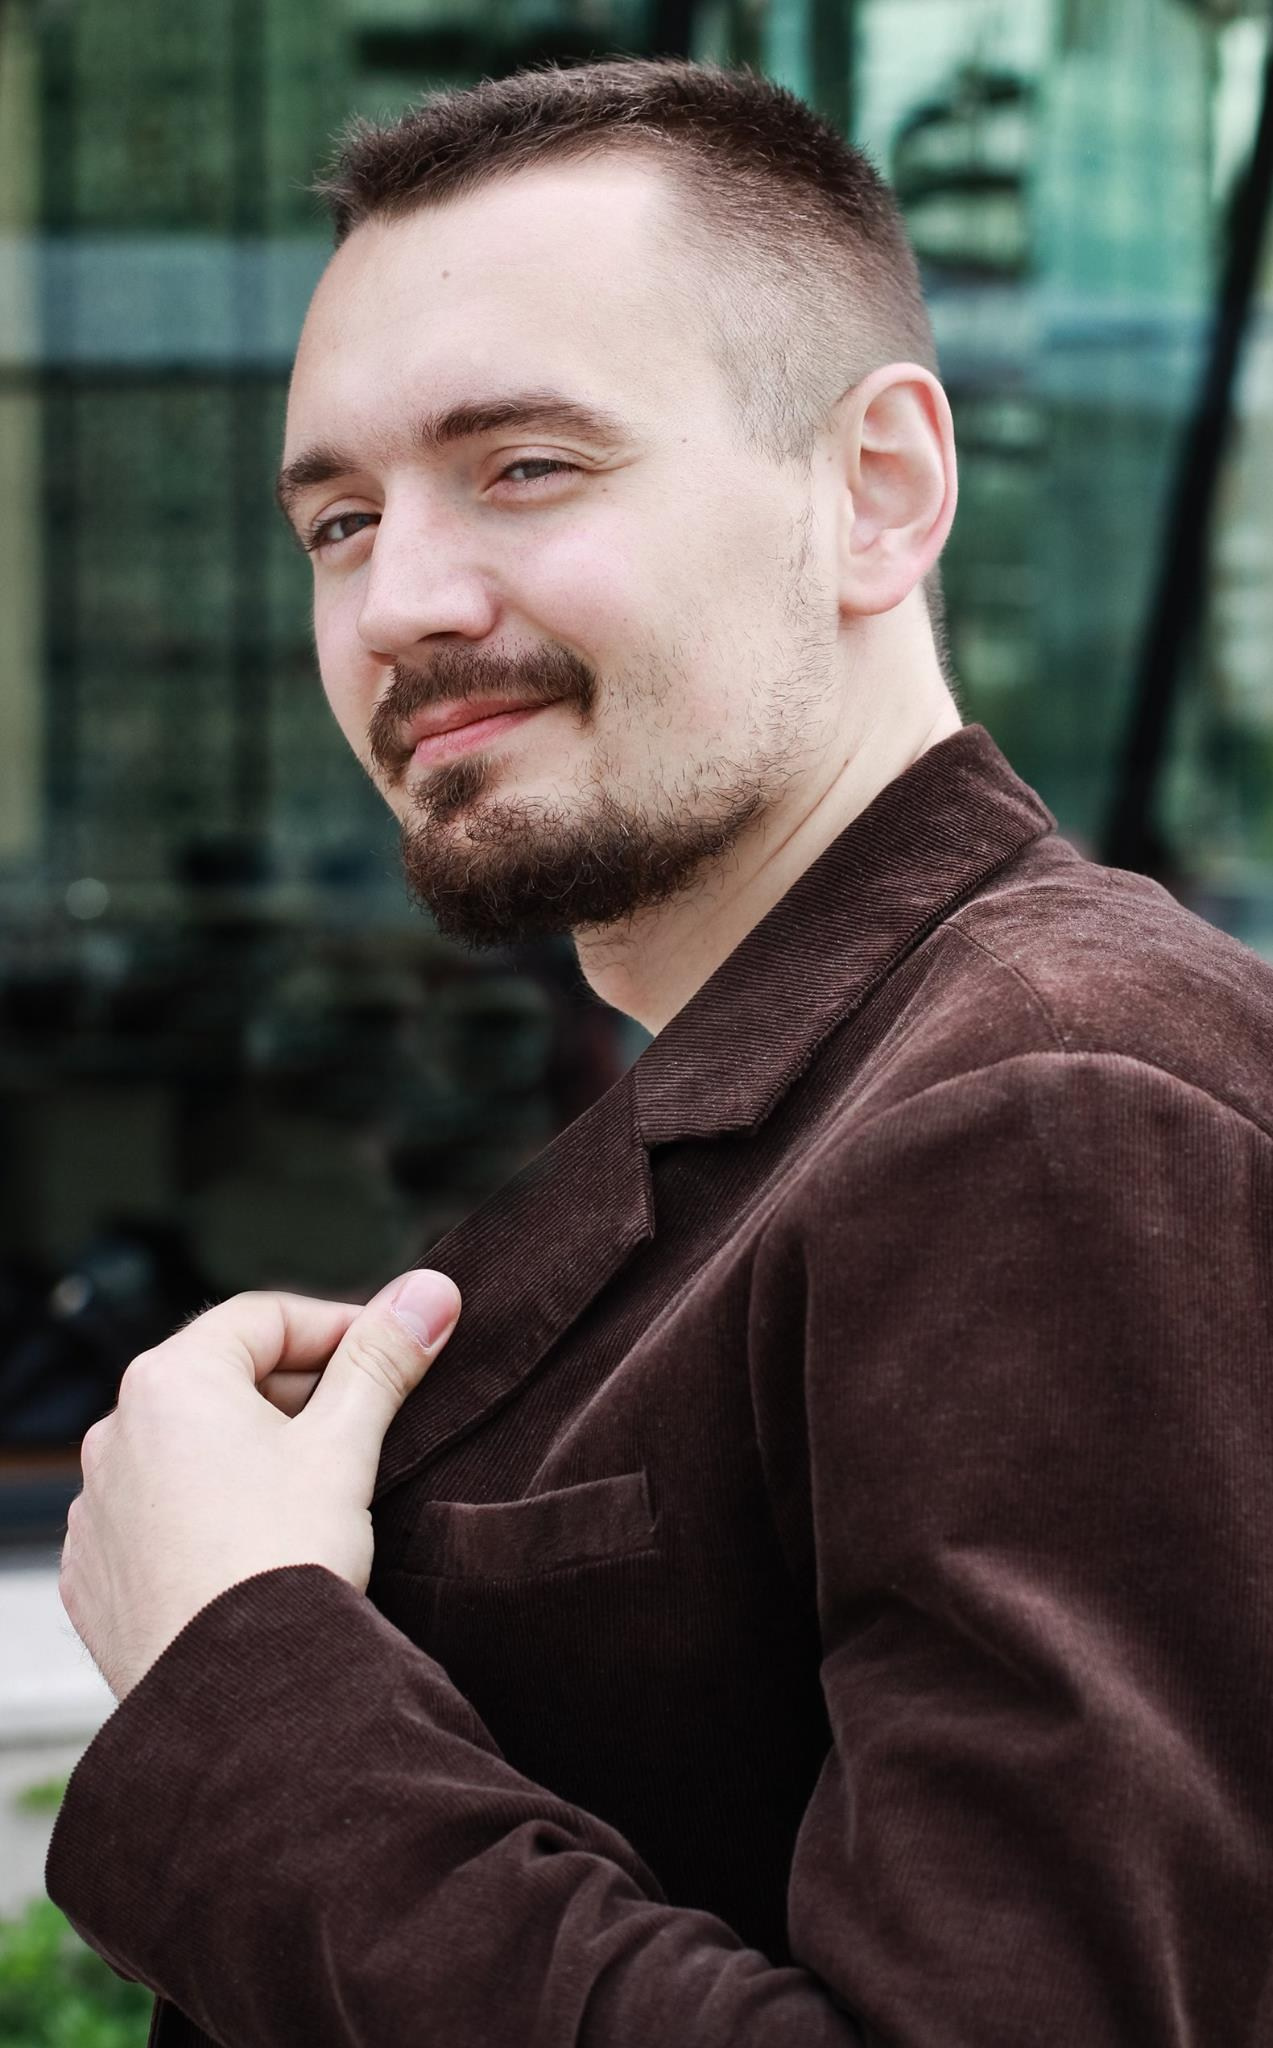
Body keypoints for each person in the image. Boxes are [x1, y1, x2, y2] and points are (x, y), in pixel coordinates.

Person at [46, 58, 1273, 2048]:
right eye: (339, 519)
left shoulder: (1053, 1098)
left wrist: (238, 1662)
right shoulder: (839, 1085)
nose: (399, 604)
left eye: (526, 465)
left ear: (877, 490)